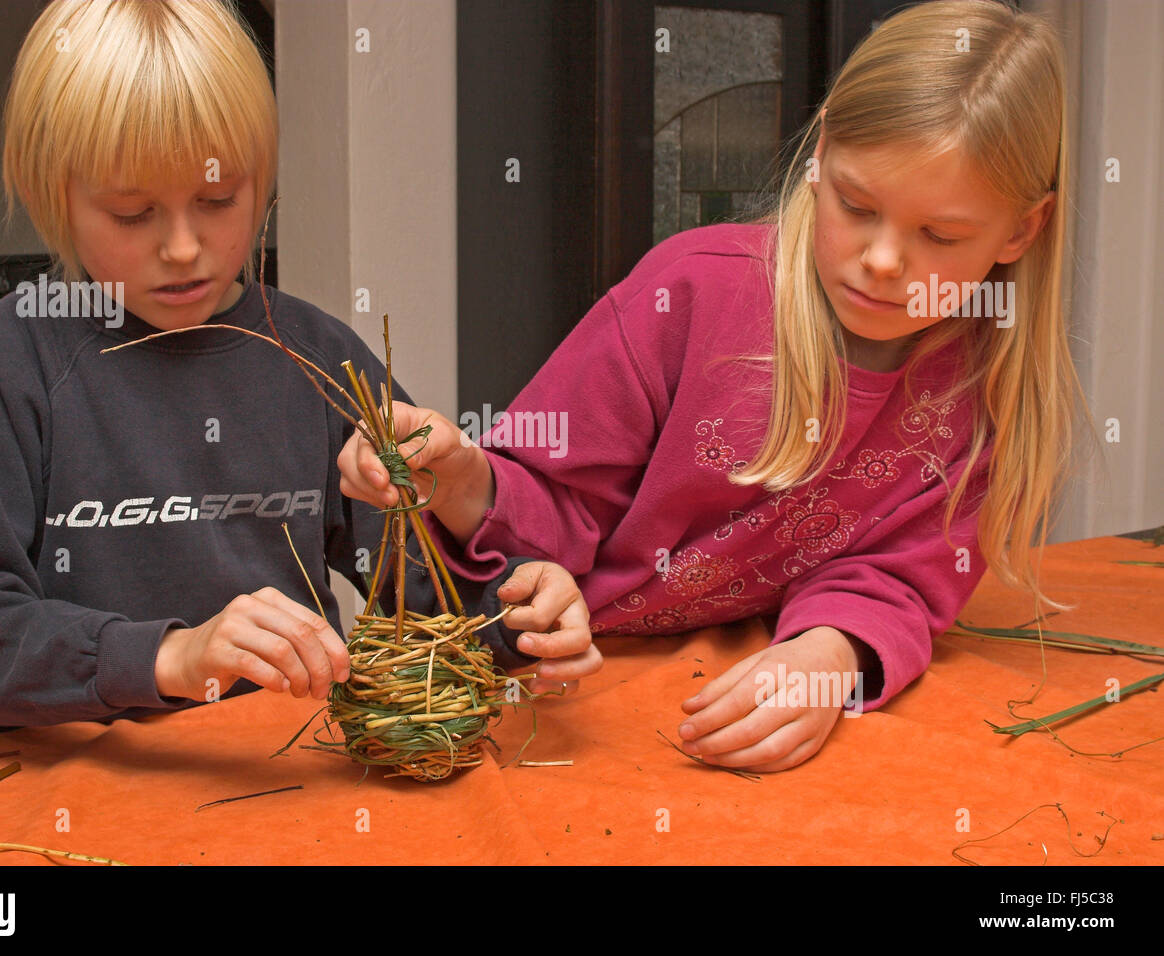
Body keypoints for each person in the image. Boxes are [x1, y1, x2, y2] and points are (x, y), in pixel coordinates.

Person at [339, 0, 1082, 772]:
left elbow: (896, 572)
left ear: (1022, 231)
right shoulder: (689, 295)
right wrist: (461, 478)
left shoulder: (987, 381)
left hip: (683, 709)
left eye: (941, 235)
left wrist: (829, 658)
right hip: (534, 676)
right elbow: (550, 504)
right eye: (857, 206)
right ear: (821, 151)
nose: (884, 261)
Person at [0, 0, 601, 734]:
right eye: (132, 213)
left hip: (284, 792)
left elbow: (426, 604)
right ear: (55, 196)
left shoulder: (320, 359)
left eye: (217, 198)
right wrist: (169, 657)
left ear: (262, 181)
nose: (181, 247)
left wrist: (520, 618)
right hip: (70, 805)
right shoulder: (6, 363)